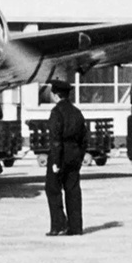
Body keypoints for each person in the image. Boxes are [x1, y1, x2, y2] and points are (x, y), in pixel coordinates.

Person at [44, 79, 87, 236]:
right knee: (73, 190)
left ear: (55, 95)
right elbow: (84, 138)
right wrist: (79, 157)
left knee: (53, 189)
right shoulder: (77, 112)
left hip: (60, 154)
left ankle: (58, 225)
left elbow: (55, 138)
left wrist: (55, 161)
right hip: (74, 154)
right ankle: (76, 227)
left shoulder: (56, 112)